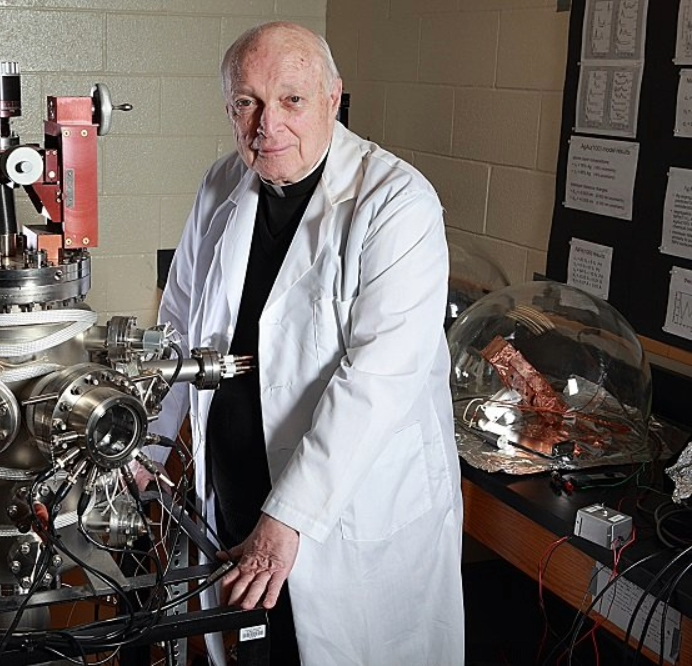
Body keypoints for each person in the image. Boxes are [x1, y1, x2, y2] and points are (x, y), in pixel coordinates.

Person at [150, 21, 464, 666]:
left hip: (344, 512)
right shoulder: (219, 186)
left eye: (290, 99)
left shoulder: (396, 202)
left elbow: (377, 380)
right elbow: (176, 329)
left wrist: (287, 520)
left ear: (333, 98)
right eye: (247, 103)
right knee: (255, 653)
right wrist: (150, 447)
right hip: (237, 490)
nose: (267, 125)